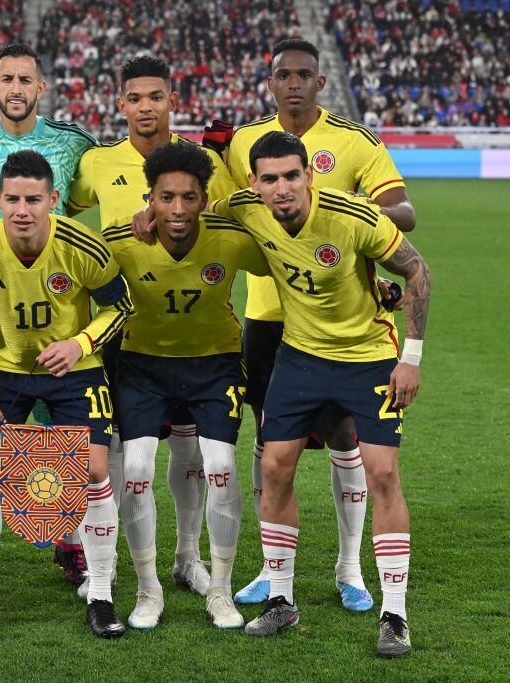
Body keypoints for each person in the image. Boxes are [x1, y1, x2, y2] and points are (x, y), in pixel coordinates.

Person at [213, 131, 429, 658]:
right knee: (274, 467)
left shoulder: (354, 216)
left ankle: (394, 612)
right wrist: (152, 215)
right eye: (270, 178)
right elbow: (193, 207)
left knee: (381, 473)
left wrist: (411, 358)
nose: (282, 188)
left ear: (309, 175)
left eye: (292, 175)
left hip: (367, 359)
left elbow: (417, 270)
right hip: (299, 357)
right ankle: (281, 600)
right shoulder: (244, 207)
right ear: (254, 183)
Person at [224, 38, 416, 609]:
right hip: (268, 315)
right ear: (270, 81)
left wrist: (340, 225)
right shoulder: (242, 142)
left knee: (346, 438)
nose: (293, 84)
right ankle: (271, 570)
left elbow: (404, 211)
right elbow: (221, 207)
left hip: (344, 319)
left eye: (304, 74)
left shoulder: (354, 141)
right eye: (283, 75)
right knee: (269, 445)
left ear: (320, 81)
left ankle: (350, 566)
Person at [0, 150, 133, 638]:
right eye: (12, 199)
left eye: (33, 199)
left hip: (75, 369)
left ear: (53, 199)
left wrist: (80, 342)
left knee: (93, 469)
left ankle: (102, 596)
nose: (22, 210)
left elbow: (121, 305)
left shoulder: (82, 247)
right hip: (2, 370)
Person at [69, 55, 239, 606]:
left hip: (195, 330)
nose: (147, 107)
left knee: (192, 454)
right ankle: (108, 562)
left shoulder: (199, 160)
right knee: (118, 451)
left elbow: (235, 217)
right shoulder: (96, 161)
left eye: (157, 97)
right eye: (135, 98)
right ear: (120, 104)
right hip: (121, 323)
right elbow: (66, 222)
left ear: (172, 100)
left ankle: (187, 558)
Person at [0, 42, 98, 587]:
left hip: (55, 310)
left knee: (63, 440)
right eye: (5, 79)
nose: (15, 89)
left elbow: (89, 196)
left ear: (41, 88)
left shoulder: (74, 143)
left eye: (25, 80)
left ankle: (67, 539)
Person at [103, 140, 266, 629]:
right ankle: (147, 589)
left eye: (189, 197)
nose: (177, 209)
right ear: (148, 197)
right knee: (134, 469)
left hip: (213, 365)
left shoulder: (231, 238)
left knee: (218, 466)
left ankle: (219, 589)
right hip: (142, 365)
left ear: (204, 198)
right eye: (165, 197)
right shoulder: (119, 240)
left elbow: (289, 252)